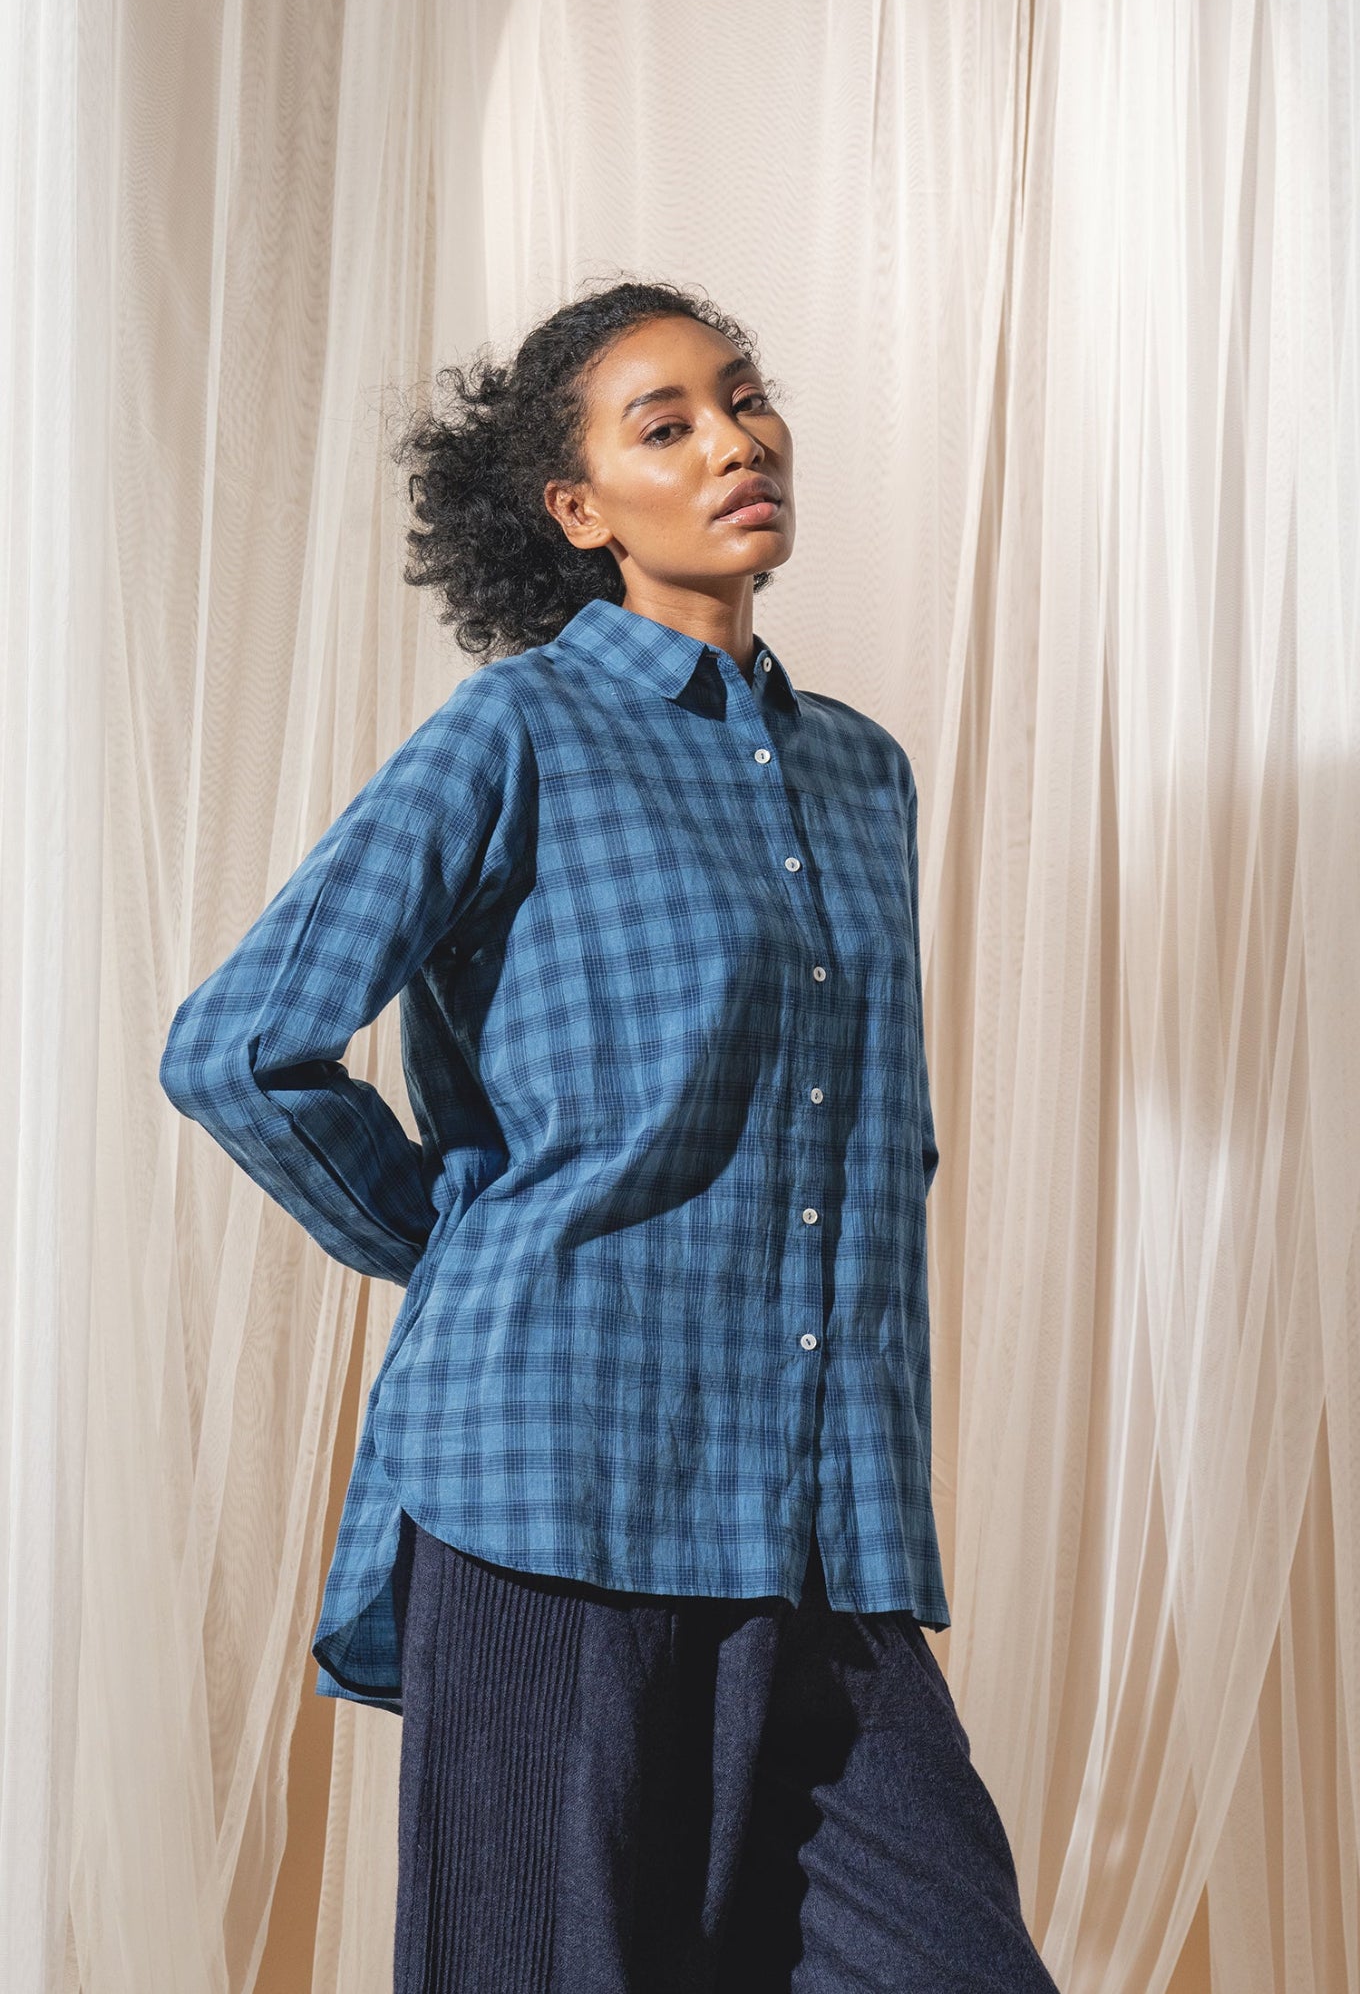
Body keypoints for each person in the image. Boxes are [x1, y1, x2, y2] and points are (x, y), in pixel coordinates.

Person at [159, 278, 1060, 1992]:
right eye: (668, 426)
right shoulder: (519, 731)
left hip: (816, 1517)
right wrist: (453, 1240)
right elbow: (237, 1048)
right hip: (556, 1489)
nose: (735, 442)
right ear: (578, 510)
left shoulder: (862, 773)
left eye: (745, 397)